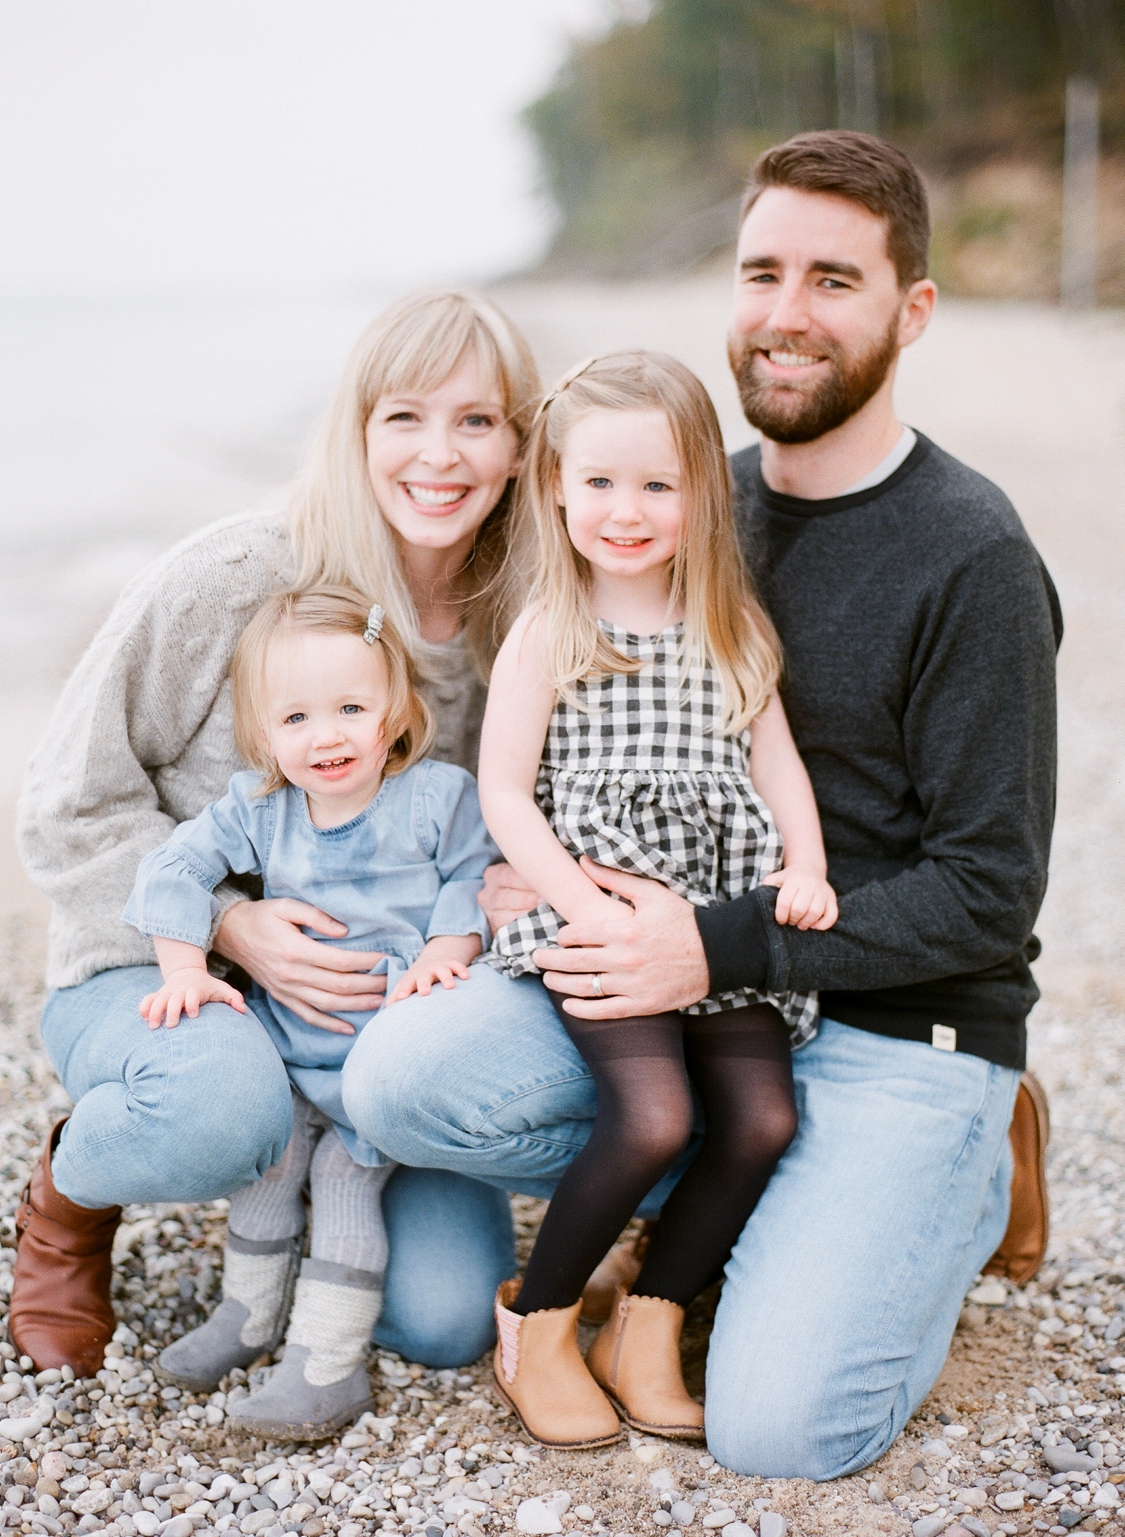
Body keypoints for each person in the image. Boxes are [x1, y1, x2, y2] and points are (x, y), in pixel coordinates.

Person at [341, 131, 1059, 1477]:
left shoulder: (974, 556)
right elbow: (521, 675)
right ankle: (702, 1234)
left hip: (895, 1018)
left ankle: (959, 1173)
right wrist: (518, 872)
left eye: (833, 280)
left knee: (783, 1428)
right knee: (402, 1076)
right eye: (761, 271)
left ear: (912, 309)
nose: (787, 312)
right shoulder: (684, 500)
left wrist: (712, 941)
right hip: (672, 974)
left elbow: (988, 893)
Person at [14, 289, 540, 1375]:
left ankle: (299, 1183)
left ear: (519, 444)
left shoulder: (519, 625)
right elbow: (67, 803)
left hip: (370, 1019)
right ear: (356, 428)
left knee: (443, 1318)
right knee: (219, 1111)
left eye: (476, 421)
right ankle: (71, 1191)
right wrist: (228, 926)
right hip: (158, 965)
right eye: (405, 417)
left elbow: (498, 842)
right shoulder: (240, 574)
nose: (440, 454)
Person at [476, 351, 834, 1450]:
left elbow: (776, 765)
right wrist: (580, 907)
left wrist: (805, 865)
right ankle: (538, 1323)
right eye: (599, 482)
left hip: (716, 922)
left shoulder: (731, 626)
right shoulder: (551, 627)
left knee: (763, 1119)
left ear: (703, 493)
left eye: (657, 485)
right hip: (598, 915)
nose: (625, 511)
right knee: (654, 1116)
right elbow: (504, 791)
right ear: (556, 488)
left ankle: (646, 1323)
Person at [122, 587, 495, 1437]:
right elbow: (171, 869)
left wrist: (447, 950)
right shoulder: (261, 809)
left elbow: (474, 875)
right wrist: (185, 966)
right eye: (295, 718)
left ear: (395, 710)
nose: (325, 736)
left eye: (350, 708)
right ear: (262, 733)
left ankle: (326, 1364)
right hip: (294, 1049)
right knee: (271, 1165)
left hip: (379, 1067)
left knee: (341, 1179)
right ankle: (247, 1317)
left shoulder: (435, 796)